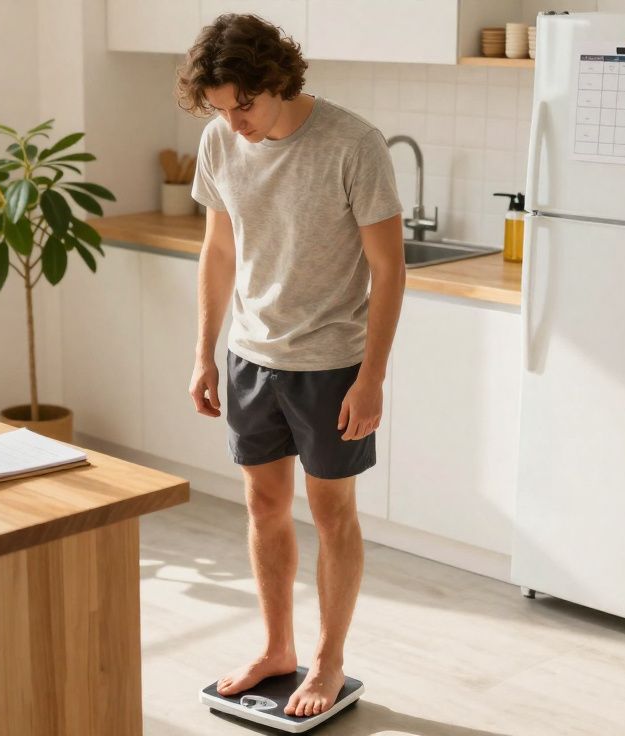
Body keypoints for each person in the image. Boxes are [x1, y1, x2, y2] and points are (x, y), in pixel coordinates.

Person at [176, 13, 405, 719]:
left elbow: (389, 269)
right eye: (219, 108)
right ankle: (278, 648)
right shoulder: (220, 140)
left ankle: (329, 660)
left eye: (243, 103)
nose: (234, 121)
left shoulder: (353, 144)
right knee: (264, 505)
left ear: (277, 79)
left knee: (332, 514)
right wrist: (205, 352)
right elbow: (219, 251)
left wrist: (372, 376)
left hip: (331, 364)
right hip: (250, 354)